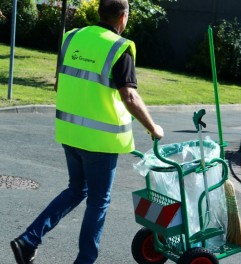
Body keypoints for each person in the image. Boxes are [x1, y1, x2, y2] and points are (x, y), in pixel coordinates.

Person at [10, 0, 164, 263]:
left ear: (99, 12)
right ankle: (85, 260)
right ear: (123, 17)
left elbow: (60, 82)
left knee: (76, 189)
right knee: (98, 201)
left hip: (70, 133)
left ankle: (29, 239)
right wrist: (153, 127)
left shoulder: (72, 38)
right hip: (100, 141)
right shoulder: (119, 47)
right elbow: (129, 96)